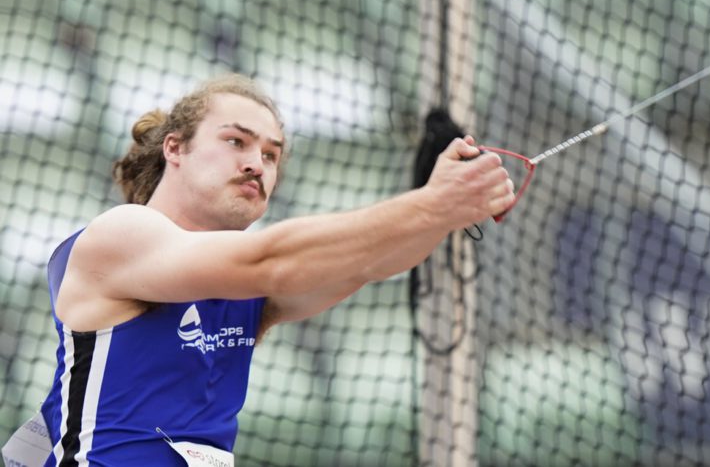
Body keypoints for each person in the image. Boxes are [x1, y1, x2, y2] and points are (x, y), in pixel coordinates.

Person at [3, 74, 514, 466]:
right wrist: (429, 204)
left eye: (272, 155)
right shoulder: (123, 234)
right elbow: (273, 260)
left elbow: (369, 262)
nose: (257, 164)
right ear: (174, 148)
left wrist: (447, 211)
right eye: (236, 142)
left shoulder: (240, 285)